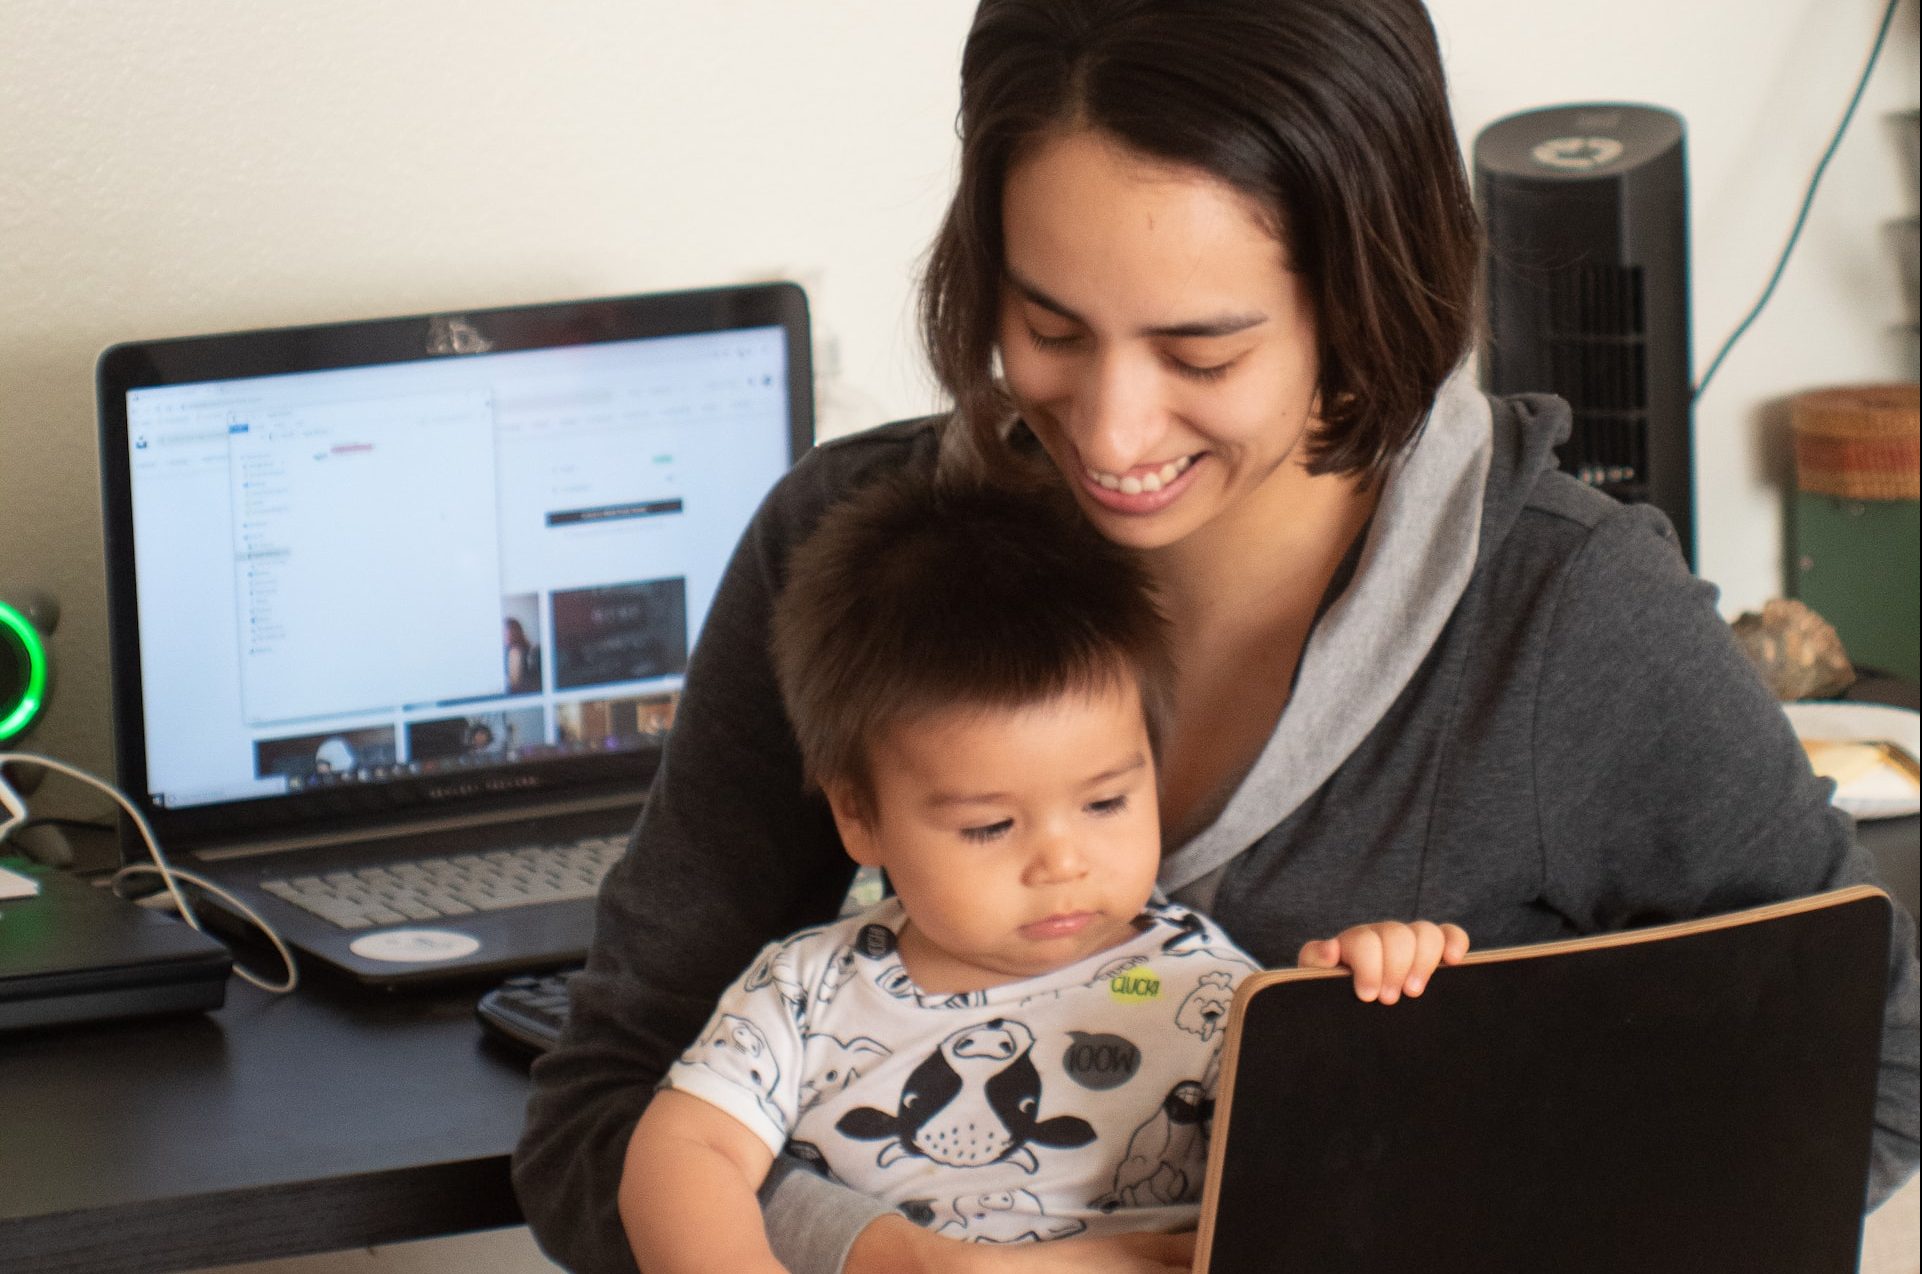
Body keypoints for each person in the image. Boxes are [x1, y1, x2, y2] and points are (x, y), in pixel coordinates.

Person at [516, 2, 1920, 1272]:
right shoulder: (851, 554)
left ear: (1363, 302)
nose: (1113, 433)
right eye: (1047, 325)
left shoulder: (1560, 614)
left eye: (1203, 353)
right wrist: (899, 1261)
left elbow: (1872, 1072)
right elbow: (604, 1114)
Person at [619, 474, 1470, 1273]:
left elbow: (1336, 1183)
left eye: (1105, 804)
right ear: (860, 816)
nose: (1063, 862)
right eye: (990, 826)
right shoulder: (806, 994)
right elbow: (683, 1153)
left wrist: (1349, 1014)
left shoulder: (1209, 992)